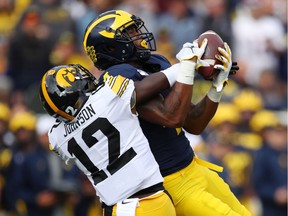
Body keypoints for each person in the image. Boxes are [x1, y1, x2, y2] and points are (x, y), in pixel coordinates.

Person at [83, 9, 251, 216]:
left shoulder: (156, 63)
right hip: (170, 182)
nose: (140, 36)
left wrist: (217, 86)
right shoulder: (115, 79)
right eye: (131, 32)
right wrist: (186, 67)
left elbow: (193, 124)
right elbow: (171, 117)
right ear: (110, 46)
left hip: (193, 166)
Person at [38, 44, 206, 216]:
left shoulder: (57, 138)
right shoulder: (107, 97)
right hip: (146, 202)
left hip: (118, 207)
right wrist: (187, 63)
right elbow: (155, 83)